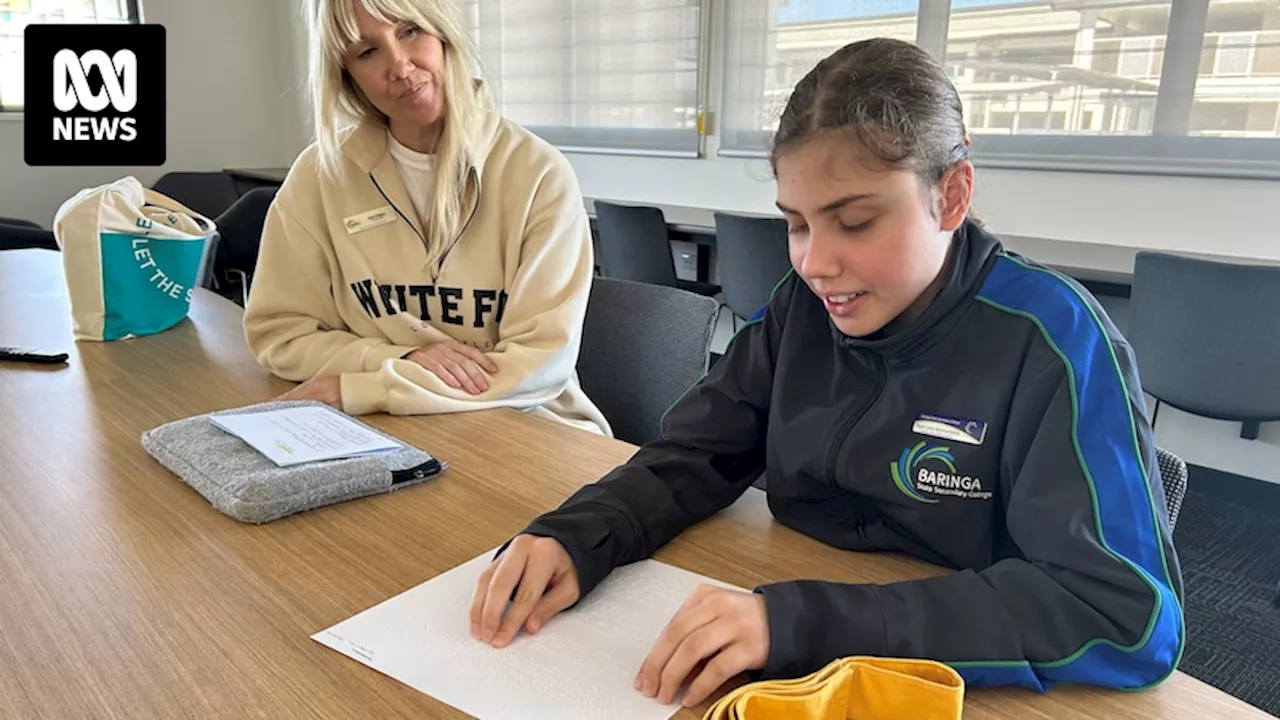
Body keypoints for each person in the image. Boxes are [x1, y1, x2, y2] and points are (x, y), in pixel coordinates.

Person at [469, 38, 1184, 708]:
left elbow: (1122, 612)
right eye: (798, 223)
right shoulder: (803, 308)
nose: (813, 263)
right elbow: (694, 455)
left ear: (953, 196)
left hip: (961, 672)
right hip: (807, 612)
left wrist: (804, 624)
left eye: (855, 221)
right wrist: (580, 533)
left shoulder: (1055, 340)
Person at [242, 0, 609, 436]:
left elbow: (537, 364)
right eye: (367, 52)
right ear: (348, 77)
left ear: (443, 33)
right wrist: (396, 359)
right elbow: (279, 334)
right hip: (388, 430)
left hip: (530, 424)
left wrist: (366, 388)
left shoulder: (539, 174)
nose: (399, 66)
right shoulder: (318, 178)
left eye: (410, 31)